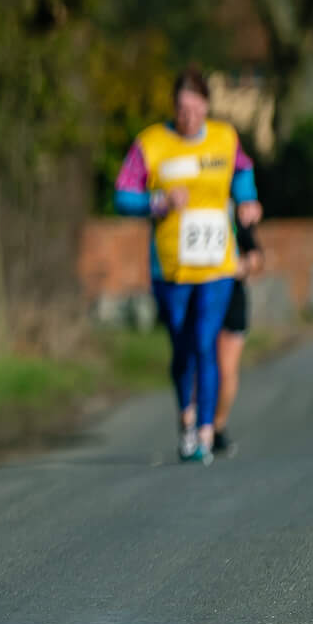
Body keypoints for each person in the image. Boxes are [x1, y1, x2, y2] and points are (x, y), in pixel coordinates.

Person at [112, 66, 263, 465]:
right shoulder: (151, 143)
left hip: (217, 263)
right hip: (171, 266)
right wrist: (157, 202)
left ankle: (205, 432)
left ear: (207, 107)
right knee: (182, 345)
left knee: (205, 342)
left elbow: (242, 171)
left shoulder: (224, 137)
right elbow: (122, 195)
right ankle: (187, 418)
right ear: (173, 107)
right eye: (182, 109)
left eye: (196, 109)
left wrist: (248, 199)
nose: (189, 117)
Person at [209, 220, 262, 458]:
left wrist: (238, 266)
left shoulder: (235, 218)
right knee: (203, 365)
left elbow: (256, 257)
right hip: (204, 297)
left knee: (227, 370)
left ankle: (218, 427)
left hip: (232, 300)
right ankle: (201, 425)